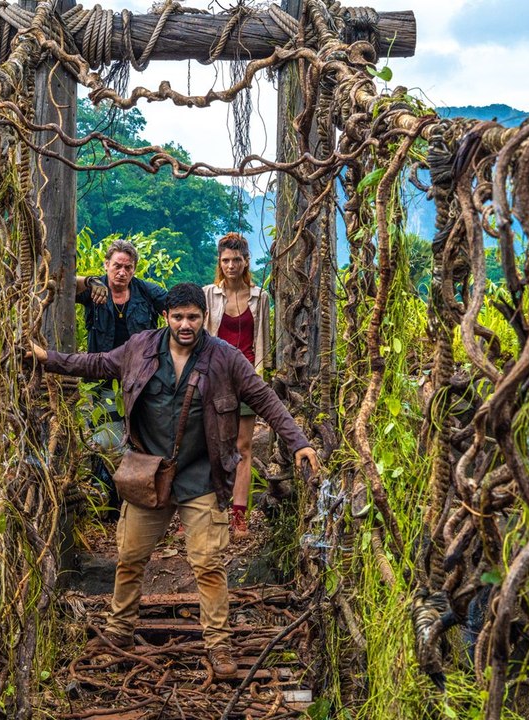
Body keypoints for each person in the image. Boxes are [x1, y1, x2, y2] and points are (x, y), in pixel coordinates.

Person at [30, 283, 318, 680]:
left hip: (201, 475)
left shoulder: (225, 358)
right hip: (148, 474)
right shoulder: (140, 348)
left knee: (208, 564)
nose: (186, 324)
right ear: (167, 316)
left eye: (193, 317)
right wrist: (48, 359)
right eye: (178, 316)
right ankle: (120, 632)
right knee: (129, 559)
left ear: (204, 319)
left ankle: (218, 646)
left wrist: (299, 442)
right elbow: (94, 364)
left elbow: (266, 398)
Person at [75, 239, 167, 514]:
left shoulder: (146, 292)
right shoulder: (95, 290)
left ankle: (141, 499)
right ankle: (110, 502)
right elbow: (61, 281)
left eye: (128, 267)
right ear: (106, 265)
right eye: (116, 266)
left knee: (140, 436)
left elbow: (178, 305)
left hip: (140, 379)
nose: (122, 272)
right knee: (105, 438)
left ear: (134, 269)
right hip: (101, 378)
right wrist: (91, 281)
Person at [203, 233, 271, 538]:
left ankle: (239, 515)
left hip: (247, 378)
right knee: (210, 444)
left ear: (245, 261)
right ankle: (203, 511)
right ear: (219, 262)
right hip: (215, 378)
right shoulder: (208, 295)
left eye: (236, 260)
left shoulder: (260, 297)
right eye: (225, 260)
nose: (231, 265)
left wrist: (260, 379)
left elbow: (264, 343)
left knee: (243, 447)